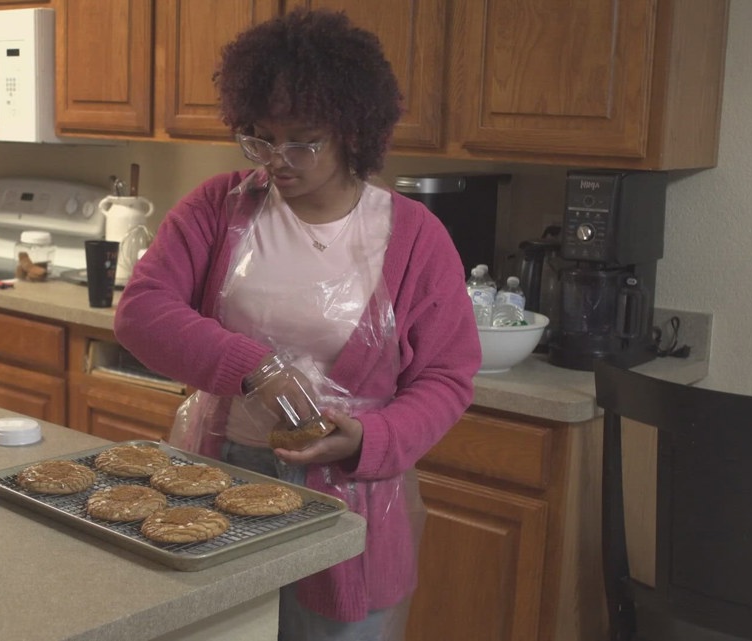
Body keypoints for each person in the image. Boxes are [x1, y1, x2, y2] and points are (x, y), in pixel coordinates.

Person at [113, 8, 480, 641]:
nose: (277, 159)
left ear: (352, 131)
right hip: (219, 470)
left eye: (302, 139)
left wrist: (369, 437)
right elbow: (142, 312)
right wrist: (255, 369)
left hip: (352, 494)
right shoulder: (218, 208)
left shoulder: (414, 237)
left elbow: (447, 376)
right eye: (259, 136)